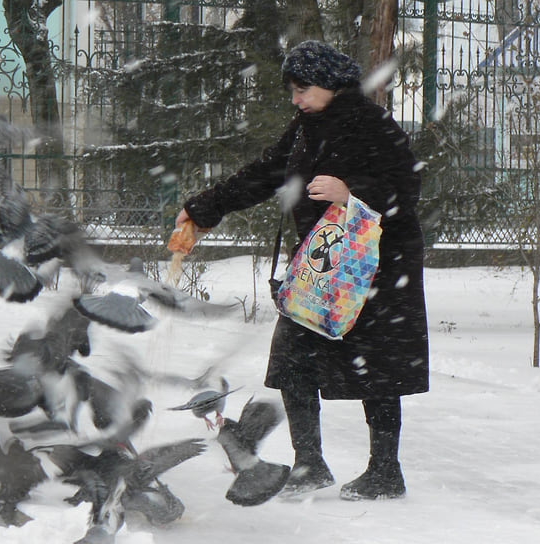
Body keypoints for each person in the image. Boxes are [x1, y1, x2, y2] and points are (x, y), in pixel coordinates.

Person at [174, 40, 429, 501]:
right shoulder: (305, 127)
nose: (295, 98)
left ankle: (385, 471)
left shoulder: (372, 123)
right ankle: (309, 462)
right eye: (292, 90)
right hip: (320, 265)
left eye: (302, 88)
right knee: (292, 358)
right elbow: (265, 172)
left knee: (380, 368)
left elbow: (407, 186)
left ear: (331, 85)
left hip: (376, 267)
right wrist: (204, 209)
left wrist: (351, 191)